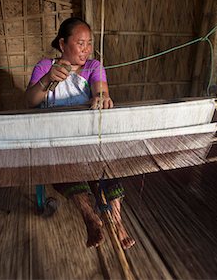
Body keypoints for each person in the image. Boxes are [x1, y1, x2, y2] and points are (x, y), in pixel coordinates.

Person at [25, 17, 135, 249]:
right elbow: (30, 102)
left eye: (89, 43)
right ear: (63, 44)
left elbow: (101, 90)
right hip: (57, 138)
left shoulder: (94, 66)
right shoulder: (45, 67)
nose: (86, 49)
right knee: (64, 168)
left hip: (87, 135)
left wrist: (101, 97)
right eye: (80, 43)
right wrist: (47, 80)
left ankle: (118, 222)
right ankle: (89, 216)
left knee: (108, 165)